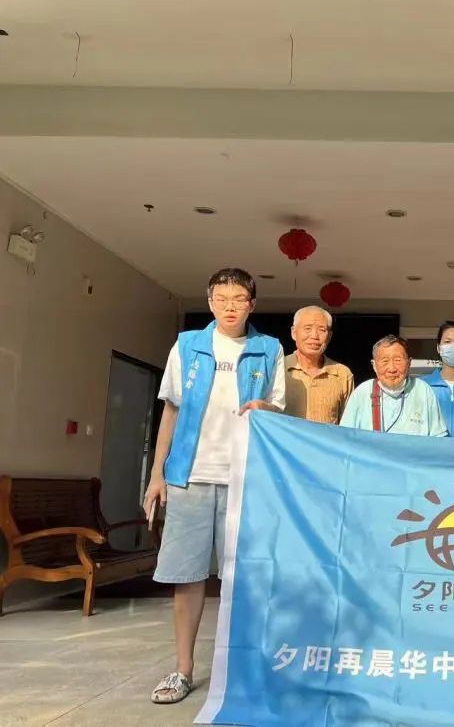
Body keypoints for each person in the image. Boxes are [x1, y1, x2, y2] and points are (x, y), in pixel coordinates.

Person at [143, 268, 286, 705]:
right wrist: (157, 474)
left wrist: (264, 407)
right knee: (186, 577)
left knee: (242, 579)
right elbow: (171, 411)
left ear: (252, 304)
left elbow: (278, 411)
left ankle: (240, 670)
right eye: (221, 299)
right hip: (190, 476)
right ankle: (183, 669)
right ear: (209, 303)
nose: (230, 306)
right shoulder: (188, 345)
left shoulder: (269, 348)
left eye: (239, 298)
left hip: (245, 478)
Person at [340, 335, 447, 436]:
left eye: (398, 361)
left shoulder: (423, 391)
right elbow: (345, 437)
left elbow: (438, 438)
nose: (392, 369)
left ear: (409, 363)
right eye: (385, 361)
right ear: (374, 365)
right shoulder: (362, 393)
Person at [283, 306, 354, 424]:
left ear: (329, 336)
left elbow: (348, 424)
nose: (314, 336)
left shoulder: (342, 374)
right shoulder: (278, 369)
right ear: (293, 333)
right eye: (307, 328)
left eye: (322, 330)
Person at [420, 320, 454, 437]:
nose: (453, 346)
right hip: (432, 448)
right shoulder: (422, 386)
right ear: (438, 348)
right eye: (447, 341)